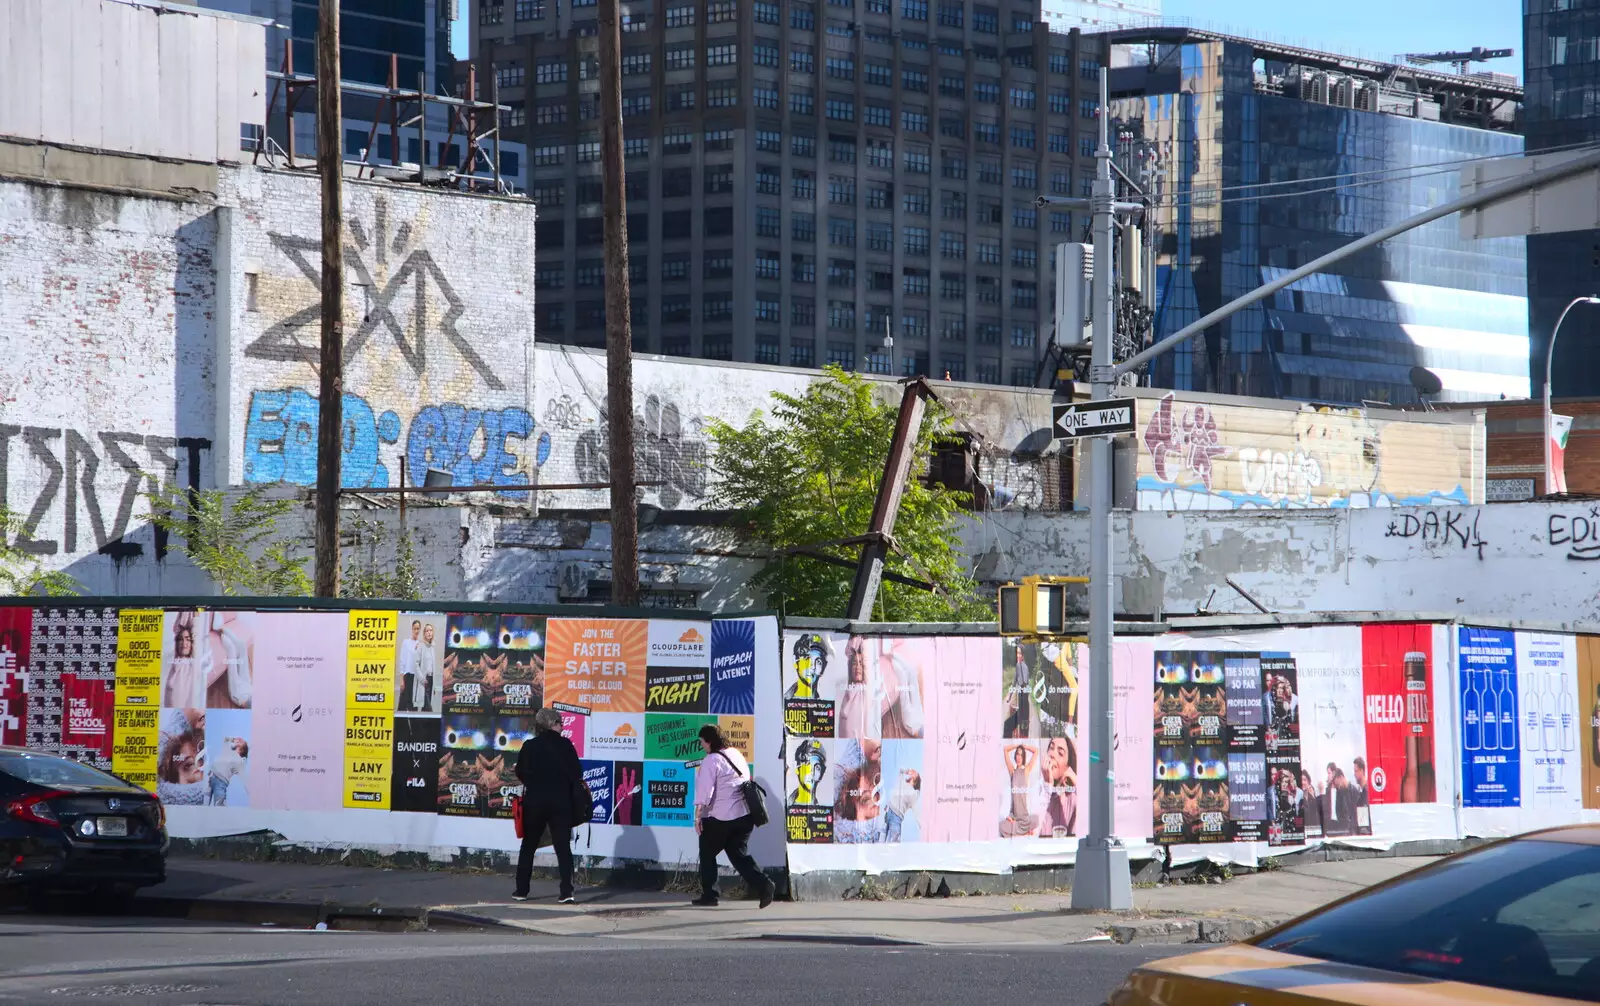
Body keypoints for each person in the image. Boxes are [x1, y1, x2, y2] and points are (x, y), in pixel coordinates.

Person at [692, 724, 775, 908]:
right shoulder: (736, 753)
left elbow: (704, 794)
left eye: (702, 742)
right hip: (745, 817)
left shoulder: (711, 760)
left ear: (709, 741)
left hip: (723, 817)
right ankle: (765, 884)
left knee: (707, 850)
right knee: (738, 856)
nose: (702, 747)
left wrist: (698, 817)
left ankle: (710, 895)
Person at [512, 707, 584, 903]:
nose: (562, 726)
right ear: (552, 724)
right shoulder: (566, 745)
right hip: (561, 803)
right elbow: (577, 774)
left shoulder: (530, 746)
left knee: (528, 846)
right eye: (560, 723)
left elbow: (520, 772)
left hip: (535, 803)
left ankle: (521, 891)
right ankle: (566, 892)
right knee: (562, 848)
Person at [1000, 743, 1039, 837]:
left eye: (1021, 755)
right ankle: (1024, 833)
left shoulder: (1026, 771)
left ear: (1023, 758)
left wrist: (1025, 746)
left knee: (1037, 819)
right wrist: (1017, 745)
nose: (1019, 757)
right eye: (1017, 754)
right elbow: (1005, 749)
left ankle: (1019, 831)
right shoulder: (1012, 772)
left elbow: (1036, 751)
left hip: (1024, 817)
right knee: (1001, 827)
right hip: (1015, 816)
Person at [1040, 736, 1076, 836]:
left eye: (1060, 753)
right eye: (1051, 748)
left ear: (1068, 767)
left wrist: (1076, 781)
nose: (1052, 755)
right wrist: (1047, 786)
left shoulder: (1073, 798)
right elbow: (1033, 833)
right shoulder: (1038, 791)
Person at [398, 620, 422, 712]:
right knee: (402, 705)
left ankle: (414, 726)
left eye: (418, 629)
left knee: (413, 706)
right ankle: (400, 726)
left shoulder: (421, 644)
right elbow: (402, 661)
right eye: (415, 628)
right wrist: (401, 680)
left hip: (416, 678)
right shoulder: (406, 642)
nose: (416, 630)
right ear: (412, 629)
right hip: (407, 676)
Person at [414, 622, 438, 712]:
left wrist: (434, 685)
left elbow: (433, 667)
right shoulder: (420, 646)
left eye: (431, 630)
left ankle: (423, 725)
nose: (429, 632)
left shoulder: (432, 648)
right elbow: (415, 664)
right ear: (424, 633)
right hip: (424, 680)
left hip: (431, 680)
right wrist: (422, 679)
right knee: (428, 708)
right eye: (427, 631)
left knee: (426, 709)